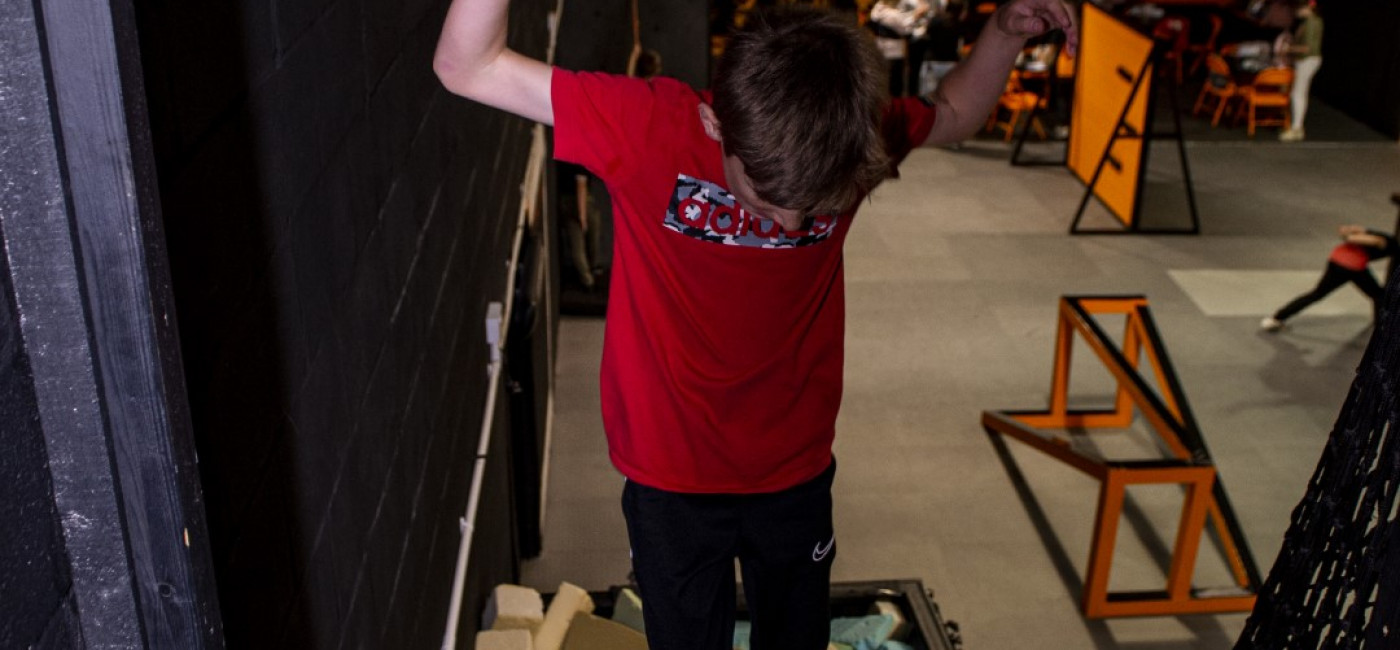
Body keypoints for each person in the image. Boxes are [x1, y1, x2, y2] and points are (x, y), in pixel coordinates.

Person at [434, 1, 1076, 648]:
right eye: (768, 201)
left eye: (812, 208)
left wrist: (1000, 33)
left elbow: (958, 114)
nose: (792, 230)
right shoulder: (648, 125)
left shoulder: (854, 132)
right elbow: (468, 66)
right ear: (716, 123)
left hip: (794, 467)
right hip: (671, 474)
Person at [1261, 224, 1397, 331]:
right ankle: (1383, 330)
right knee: (1380, 296)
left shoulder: (1375, 233)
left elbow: (1346, 231)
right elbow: (1360, 238)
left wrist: (1351, 232)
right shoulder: (1387, 242)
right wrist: (1353, 236)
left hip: (1337, 259)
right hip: (1351, 266)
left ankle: (1277, 318)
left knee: (1317, 293)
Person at [1279, 0, 1322, 142]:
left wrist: (1288, 49)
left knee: (1298, 93)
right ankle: (1296, 126)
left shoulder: (1312, 22)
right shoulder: (1309, 22)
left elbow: (1308, 48)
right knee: (1298, 92)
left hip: (1307, 60)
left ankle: (1297, 127)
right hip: (1304, 60)